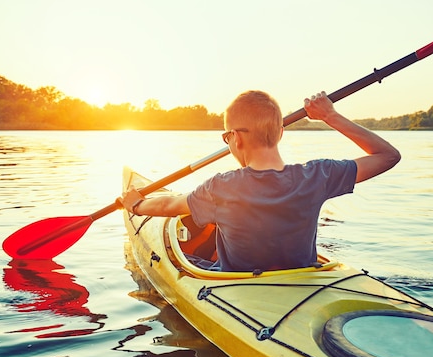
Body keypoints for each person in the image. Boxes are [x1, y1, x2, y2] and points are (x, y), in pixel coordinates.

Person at [121, 90, 400, 272]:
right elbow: (388, 156)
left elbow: (170, 205)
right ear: (280, 133)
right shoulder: (318, 176)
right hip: (300, 283)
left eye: (226, 137)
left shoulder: (221, 186)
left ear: (236, 138)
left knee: (191, 255)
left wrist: (136, 205)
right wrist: (330, 116)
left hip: (237, 287)